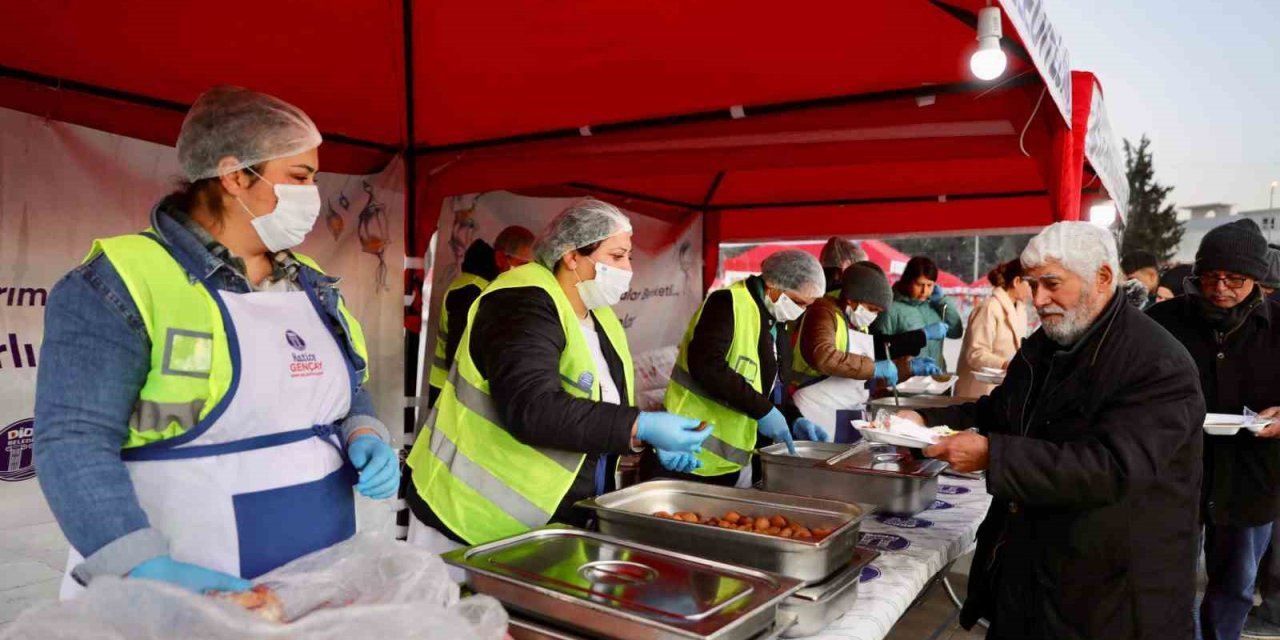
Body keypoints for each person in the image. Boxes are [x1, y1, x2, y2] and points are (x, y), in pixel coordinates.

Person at [34, 86, 400, 598]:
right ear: (234, 175)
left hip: (314, 578)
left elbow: (345, 390)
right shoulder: (120, 280)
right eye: (299, 177)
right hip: (184, 586)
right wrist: (136, 565)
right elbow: (72, 442)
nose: (313, 193)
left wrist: (364, 431)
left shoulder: (312, 283)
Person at [900, 221, 1204, 639]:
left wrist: (994, 455)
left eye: (1052, 284)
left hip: (1110, 594)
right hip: (1034, 572)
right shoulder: (1046, 344)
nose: (1038, 300)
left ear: (1101, 278)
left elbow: (1111, 467)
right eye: (1032, 284)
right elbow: (1000, 413)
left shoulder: (1155, 363)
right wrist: (926, 424)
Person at [404, 199, 711, 552]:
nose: (627, 268)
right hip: (465, 516)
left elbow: (595, 411)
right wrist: (640, 424)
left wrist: (644, 442)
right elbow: (532, 407)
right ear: (571, 256)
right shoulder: (519, 301)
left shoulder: (600, 318)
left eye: (629, 257)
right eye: (616, 256)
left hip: (542, 523)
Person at [1145, 219, 1280, 640]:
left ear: (1256, 279)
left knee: (1236, 585)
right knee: (1166, 583)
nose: (1220, 288)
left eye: (1235, 279)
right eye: (1210, 277)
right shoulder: (1164, 320)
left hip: (1252, 476)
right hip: (1174, 474)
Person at [658, 250, 829, 487]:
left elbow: (771, 387)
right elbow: (707, 364)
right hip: (689, 452)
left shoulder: (776, 323)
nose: (802, 310)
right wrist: (763, 411)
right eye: (799, 302)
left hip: (733, 461)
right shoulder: (727, 302)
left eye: (808, 305)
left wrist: (794, 418)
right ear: (773, 286)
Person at [790, 264, 939, 442]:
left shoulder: (858, 323)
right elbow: (823, 356)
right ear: (852, 300)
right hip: (816, 411)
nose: (873, 316)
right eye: (871, 309)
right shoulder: (822, 312)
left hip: (848, 411)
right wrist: (875, 368)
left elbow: (863, 376)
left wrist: (906, 368)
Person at [426, 226, 535, 407]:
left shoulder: (493, 286)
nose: (527, 272)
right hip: (450, 391)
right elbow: (458, 352)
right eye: (522, 265)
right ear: (500, 258)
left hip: (465, 392)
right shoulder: (470, 291)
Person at [870, 256, 964, 370]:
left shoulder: (935, 306)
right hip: (906, 381)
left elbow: (956, 332)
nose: (925, 291)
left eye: (929, 285)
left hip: (937, 377)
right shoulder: (890, 310)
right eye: (919, 285)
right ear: (907, 281)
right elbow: (879, 350)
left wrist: (942, 301)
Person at [954, 259, 1031, 397]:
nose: (1034, 289)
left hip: (1000, 390)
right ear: (1017, 281)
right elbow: (975, 354)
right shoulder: (989, 308)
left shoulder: (1020, 310)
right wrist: (1006, 364)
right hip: (977, 391)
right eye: (1031, 284)